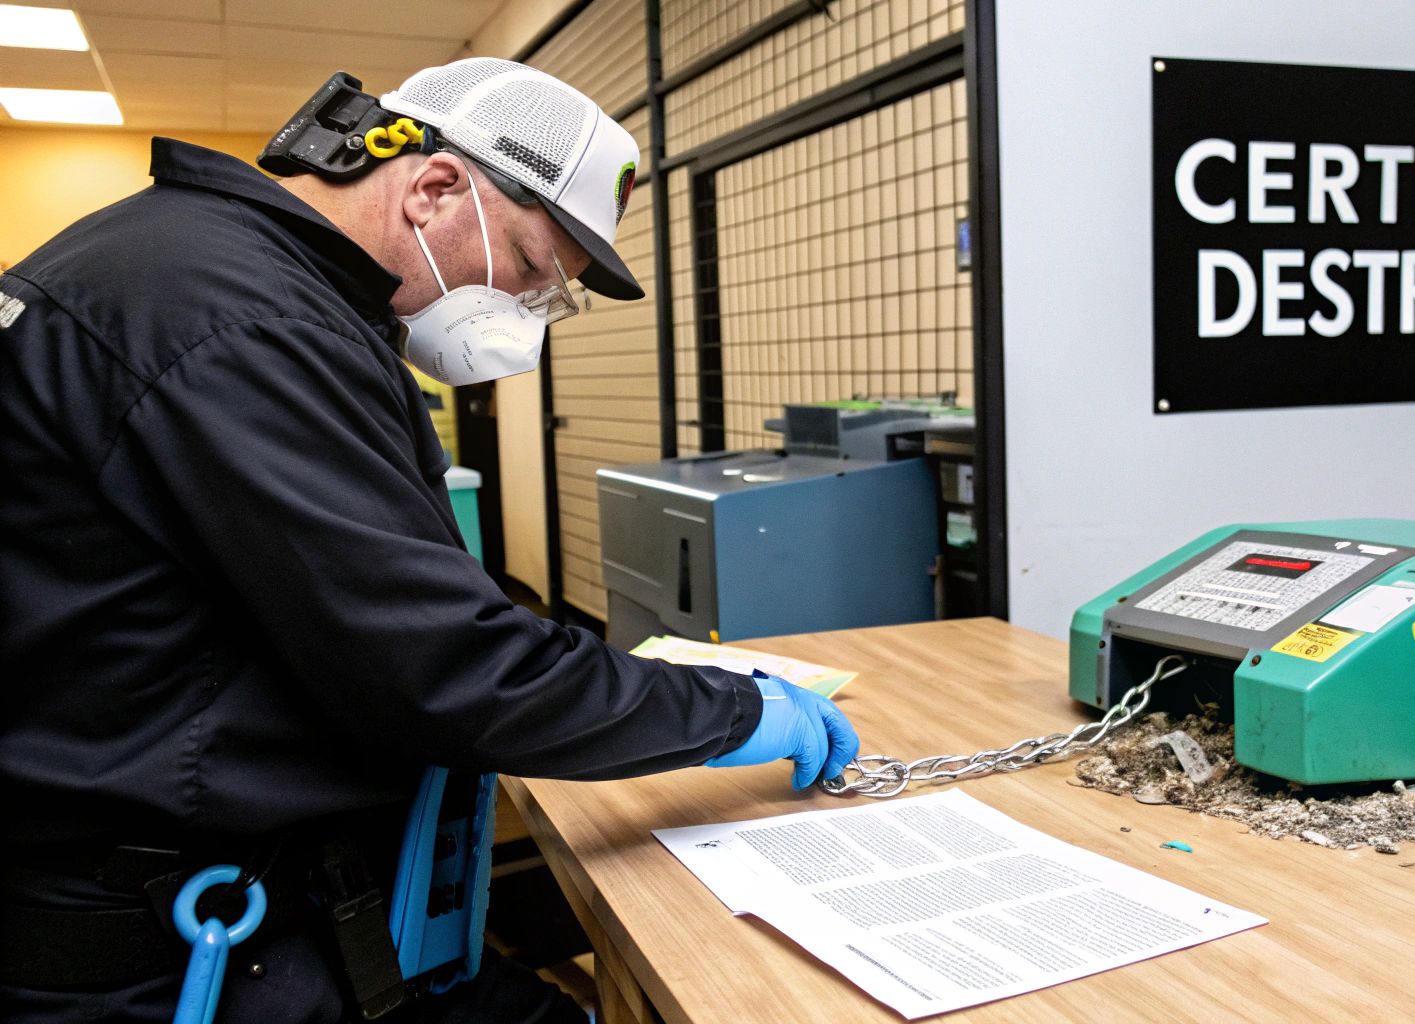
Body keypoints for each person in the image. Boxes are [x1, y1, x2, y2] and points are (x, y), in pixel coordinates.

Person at [0, 58, 859, 1022]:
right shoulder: (243, 320)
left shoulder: (202, 268)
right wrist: (730, 711)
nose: (529, 317)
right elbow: (446, 664)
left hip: (206, 871)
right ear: (436, 188)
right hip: (159, 947)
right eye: (534, 271)